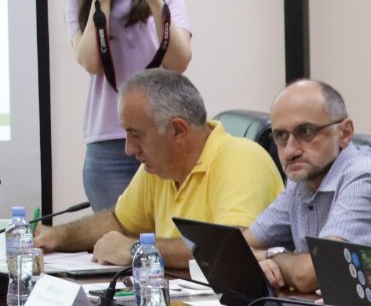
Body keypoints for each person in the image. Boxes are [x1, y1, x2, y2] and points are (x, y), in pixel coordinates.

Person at [33, 69, 280, 269]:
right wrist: (56, 237)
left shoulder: (241, 159)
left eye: (136, 135)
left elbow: (231, 250)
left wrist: (137, 250)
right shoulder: (160, 167)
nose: (129, 149)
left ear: (178, 130)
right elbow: (119, 222)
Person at [243, 80, 371, 293]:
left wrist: (271, 255)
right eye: (281, 136)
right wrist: (263, 260)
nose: (290, 151)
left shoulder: (367, 178)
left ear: (344, 133)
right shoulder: (301, 176)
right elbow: (239, 248)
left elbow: (311, 275)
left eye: (306, 132)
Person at [67, 0, 194, 211]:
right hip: (108, 145)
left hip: (163, 136)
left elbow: (179, 62)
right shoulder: (80, 5)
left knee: (166, 231)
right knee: (114, 232)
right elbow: (91, 63)